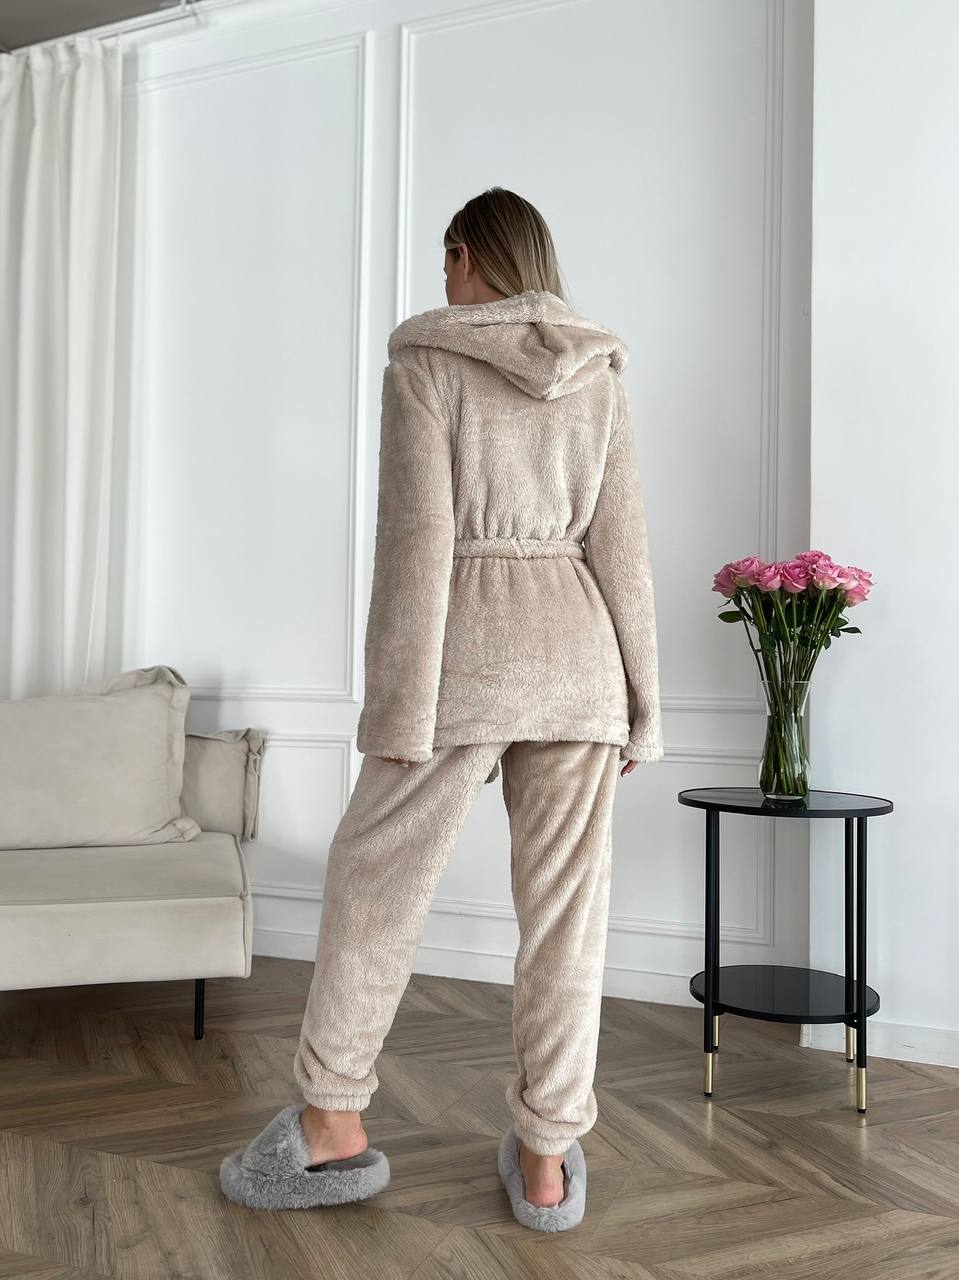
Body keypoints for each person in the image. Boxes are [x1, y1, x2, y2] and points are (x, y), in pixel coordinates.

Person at [220, 186, 664, 1232]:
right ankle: (548, 1158)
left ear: (467, 256)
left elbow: (416, 550)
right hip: (582, 666)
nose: (443, 283)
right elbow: (625, 552)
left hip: (462, 658)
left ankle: (331, 1123)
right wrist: (640, 706)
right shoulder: (600, 369)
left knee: (373, 883)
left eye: (445, 261)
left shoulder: (424, 362)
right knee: (567, 922)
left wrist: (395, 711)